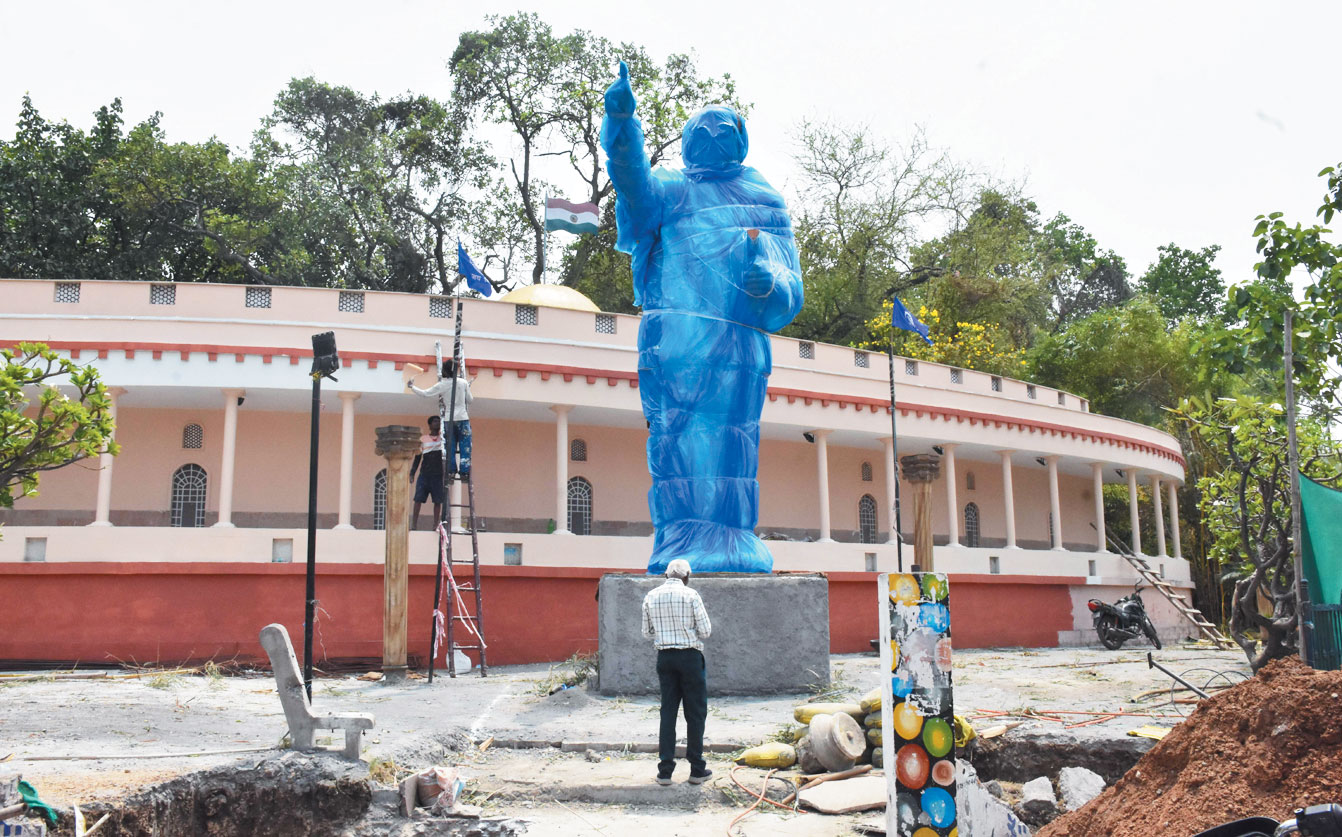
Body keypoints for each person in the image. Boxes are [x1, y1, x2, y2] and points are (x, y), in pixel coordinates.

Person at [601, 61, 803, 574]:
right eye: (701, 129)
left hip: (737, 350)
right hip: (676, 346)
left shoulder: (766, 202)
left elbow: (791, 286)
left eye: (724, 128)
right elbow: (633, 183)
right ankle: (680, 537)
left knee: (736, 440)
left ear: (742, 141)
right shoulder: (673, 191)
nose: (713, 134)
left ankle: (734, 537)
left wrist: (770, 284)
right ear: (689, 142)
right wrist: (622, 123)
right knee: (676, 438)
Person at [641, 558, 713, 786]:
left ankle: (665, 771)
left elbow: (647, 632)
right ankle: (696, 768)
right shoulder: (691, 595)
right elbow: (706, 631)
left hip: (665, 658)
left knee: (668, 712)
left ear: (666, 576)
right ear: (687, 577)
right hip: (690, 657)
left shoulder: (651, 596)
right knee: (695, 713)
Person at [408, 359, 473, 478]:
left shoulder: (442, 385)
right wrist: (465, 390)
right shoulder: (463, 383)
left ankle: (452, 471)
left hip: (449, 419)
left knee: (451, 446)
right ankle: (464, 472)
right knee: (465, 446)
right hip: (463, 418)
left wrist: (412, 387)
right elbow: (470, 400)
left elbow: (425, 394)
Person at [409, 416, 444, 530]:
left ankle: (435, 525)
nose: (437, 423)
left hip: (438, 475)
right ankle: (414, 524)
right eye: (434, 421)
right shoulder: (423, 439)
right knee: (418, 499)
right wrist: (412, 473)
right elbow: (418, 457)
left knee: (437, 501)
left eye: (438, 421)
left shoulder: (443, 439)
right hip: (424, 474)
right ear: (429, 425)